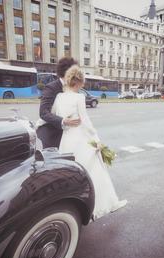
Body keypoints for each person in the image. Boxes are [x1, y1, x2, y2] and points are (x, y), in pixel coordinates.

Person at [52, 65, 127, 219]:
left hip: (66, 139)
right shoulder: (79, 97)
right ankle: (107, 203)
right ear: (78, 81)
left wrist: (66, 122)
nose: (83, 85)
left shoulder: (59, 97)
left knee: (71, 172)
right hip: (80, 137)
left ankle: (75, 208)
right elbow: (85, 121)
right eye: (83, 82)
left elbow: (57, 115)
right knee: (95, 170)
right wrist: (95, 137)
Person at [36, 57, 80, 148]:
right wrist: (63, 121)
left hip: (68, 131)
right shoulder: (51, 88)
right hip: (50, 131)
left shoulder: (74, 89)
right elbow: (43, 113)